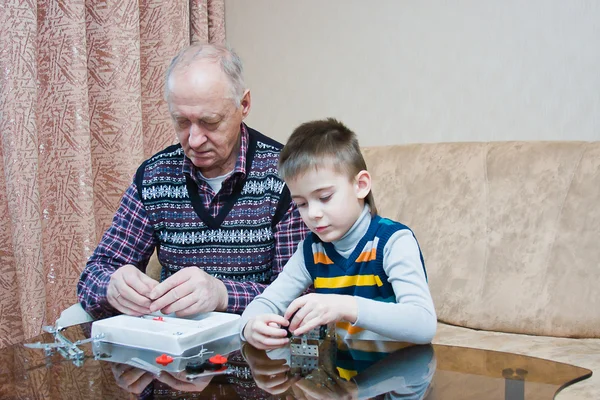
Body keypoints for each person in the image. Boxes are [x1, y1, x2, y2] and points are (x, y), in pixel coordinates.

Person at [77, 43, 308, 319]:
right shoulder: (155, 176)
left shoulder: (285, 175)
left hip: (252, 339)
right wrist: (111, 287)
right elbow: (92, 277)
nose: (195, 140)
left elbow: (300, 297)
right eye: (182, 122)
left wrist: (222, 294)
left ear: (243, 105)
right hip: (173, 340)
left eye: (209, 122)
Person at [240, 118, 437, 349]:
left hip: (400, 376)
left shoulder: (393, 242)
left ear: (361, 185)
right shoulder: (311, 251)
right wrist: (250, 326)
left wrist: (344, 306)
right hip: (345, 378)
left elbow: (423, 324)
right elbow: (266, 302)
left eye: (324, 198)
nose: (313, 213)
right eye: (301, 204)